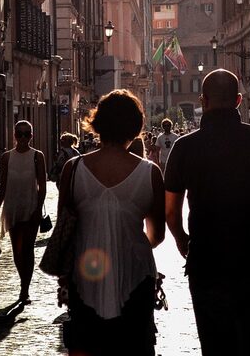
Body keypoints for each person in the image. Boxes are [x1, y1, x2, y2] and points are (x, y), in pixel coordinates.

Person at [165, 69, 250, 355]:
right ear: (239, 100)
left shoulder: (184, 147)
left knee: (215, 345)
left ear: (203, 101)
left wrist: (181, 239)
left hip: (207, 261)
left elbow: (171, 211)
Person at [57, 90, 165, 355]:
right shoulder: (150, 173)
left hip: (85, 279)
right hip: (136, 277)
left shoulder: (73, 169)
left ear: (98, 124)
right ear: (136, 127)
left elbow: (64, 230)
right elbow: (157, 234)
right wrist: (127, 243)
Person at [0, 120, 46, 304]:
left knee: (28, 250)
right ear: (14, 135)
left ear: (32, 135)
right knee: (17, 250)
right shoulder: (7, 157)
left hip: (30, 208)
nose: (23, 137)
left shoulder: (38, 156)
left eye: (27, 134)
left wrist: (38, 208)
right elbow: (3, 185)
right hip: (13, 207)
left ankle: (24, 289)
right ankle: (23, 282)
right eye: (19, 134)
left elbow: (43, 186)